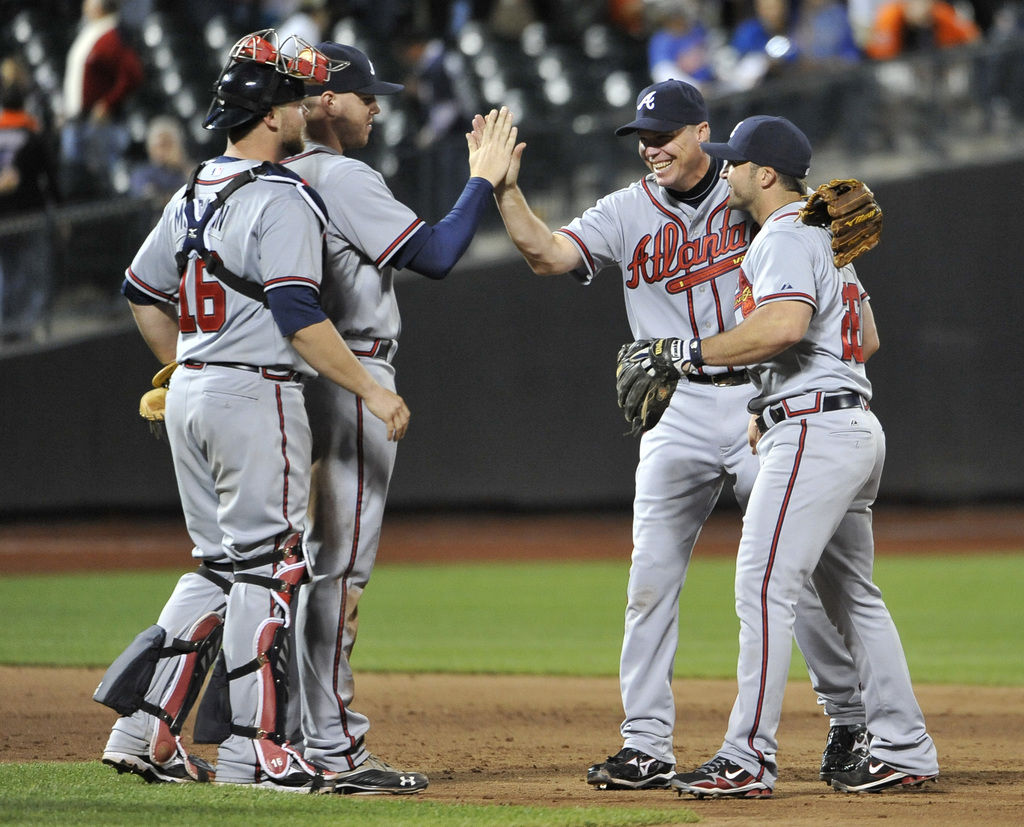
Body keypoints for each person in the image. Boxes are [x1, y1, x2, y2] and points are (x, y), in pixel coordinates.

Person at [477, 78, 869, 792]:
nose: (651, 148)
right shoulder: (627, 210)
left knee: (799, 570)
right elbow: (548, 254)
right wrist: (506, 192)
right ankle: (646, 741)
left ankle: (848, 718)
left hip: (761, 397)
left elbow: (825, 261)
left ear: (701, 133)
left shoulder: (752, 188)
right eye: (642, 137)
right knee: (651, 577)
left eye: (662, 135)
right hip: (676, 408)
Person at [98, 30, 410, 793]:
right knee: (272, 570)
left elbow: (142, 293)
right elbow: (300, 314)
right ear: (271, 116)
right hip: (253, 390)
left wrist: (181, 365)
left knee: (218, 567)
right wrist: (372, 389)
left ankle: (142, 730)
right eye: (292, 98)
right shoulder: (281, 195)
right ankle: (258, 747)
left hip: (192, 392)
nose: (304, 107)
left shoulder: (195, 187)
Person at [668, 115, 939, 797]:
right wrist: (771, 399)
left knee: (762, 585)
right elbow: (865, 338)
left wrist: (689, 353)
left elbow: (783, 326)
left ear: (764, 174)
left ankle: (748, 757)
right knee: (854, 598)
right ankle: (903, 744)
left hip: (817, 435)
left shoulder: (786, 234)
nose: (723, 170)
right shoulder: (827, 239)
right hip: (848, 428)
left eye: (733, 162)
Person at [281, 41, 518, 792]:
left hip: (296, 371)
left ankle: (280, 730)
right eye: (362, 94)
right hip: (352, 369)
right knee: (339, 570)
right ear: (323, 102)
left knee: (292, 565)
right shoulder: (341, 173)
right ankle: (333, 747)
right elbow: (441, 252)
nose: (377, 106)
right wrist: (480, 180)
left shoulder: (275, 174)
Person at [0, 62, 60, 340]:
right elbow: (50, 177)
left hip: (5, 215)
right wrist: (59, 211)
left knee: (6, 272)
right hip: (29, 214)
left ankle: (7, 327)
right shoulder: (34, 136)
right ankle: (23, 328)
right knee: (29, 271)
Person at [60, 0, 144, 198]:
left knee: (102, 181)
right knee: (79, 182)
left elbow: (133, 74)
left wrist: (108, 103)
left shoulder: (112, 35)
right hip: (80, 119)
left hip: (99, 123)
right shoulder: (93, 31)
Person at [864, 0, 980, 59]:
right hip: (901, 67)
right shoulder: (889, 17)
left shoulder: (940, 12)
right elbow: (878, 56)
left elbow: (973, 37)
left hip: (937, 66)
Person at [128, 115, 192, 207]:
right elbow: (151, 199)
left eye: (169, 143)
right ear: (150, 149)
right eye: (161, 145)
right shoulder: (142, 174)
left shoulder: (186, 170)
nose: (166, 150)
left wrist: (183, 165)